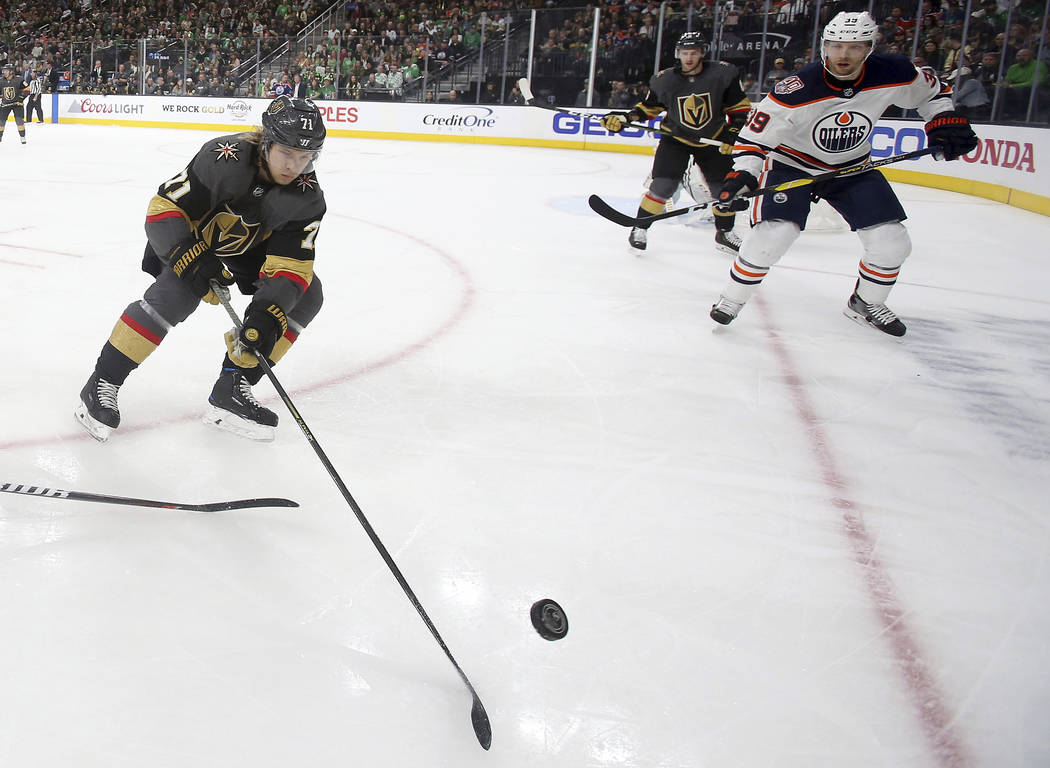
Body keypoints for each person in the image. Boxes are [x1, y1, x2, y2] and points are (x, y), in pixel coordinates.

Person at [74, 96, 328, 442]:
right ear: (266, 141)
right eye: (286, 153)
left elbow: (293, 266)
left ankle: (233, 387)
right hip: (190, 235)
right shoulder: (225, 158)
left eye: (305, 157)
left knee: (306, 296)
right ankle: (103, 381)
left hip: (247, 249)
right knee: (178, 294)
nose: (294, 166)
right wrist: (187, 256)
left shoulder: (306, 196)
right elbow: (163, 208)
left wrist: (268, 313)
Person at [709, 11, 978, 336]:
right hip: (791, 164)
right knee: (773, 236)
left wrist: (942, 121)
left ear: (869, 47)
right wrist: (744, 176)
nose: (843, 55)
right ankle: (732, 300)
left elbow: (934, 93)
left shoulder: (894, 72)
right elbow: (754, 139)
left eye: (854, 46)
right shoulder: (797, 88)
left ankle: (865, 303)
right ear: (824, 46)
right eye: (836, 46)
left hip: (852, 167)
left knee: (892, 242)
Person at [599, 32, 752, 255]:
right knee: (662, 187)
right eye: (684, 53)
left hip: (713, 138)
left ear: (702, 53)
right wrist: (624, 118)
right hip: (675, 139)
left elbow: (739, 109)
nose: (688, 58)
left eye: (693, 53)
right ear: (678, 54)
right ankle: (640, 228)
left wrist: (732, 134)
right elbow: (648, 108)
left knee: (723, 190)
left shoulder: (723, 74)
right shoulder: (665, 79)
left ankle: (725, 233)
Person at [0, 63, 29, 145]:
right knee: (1, 122)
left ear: (11, 71)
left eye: (6, 70)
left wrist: (20, 99)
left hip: (17, 105)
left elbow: (27, 89)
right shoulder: (1, 81)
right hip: (5, 105)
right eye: (4, 70)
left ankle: (22, 137)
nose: (4, 72)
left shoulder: (19, 79)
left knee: (19, 121)